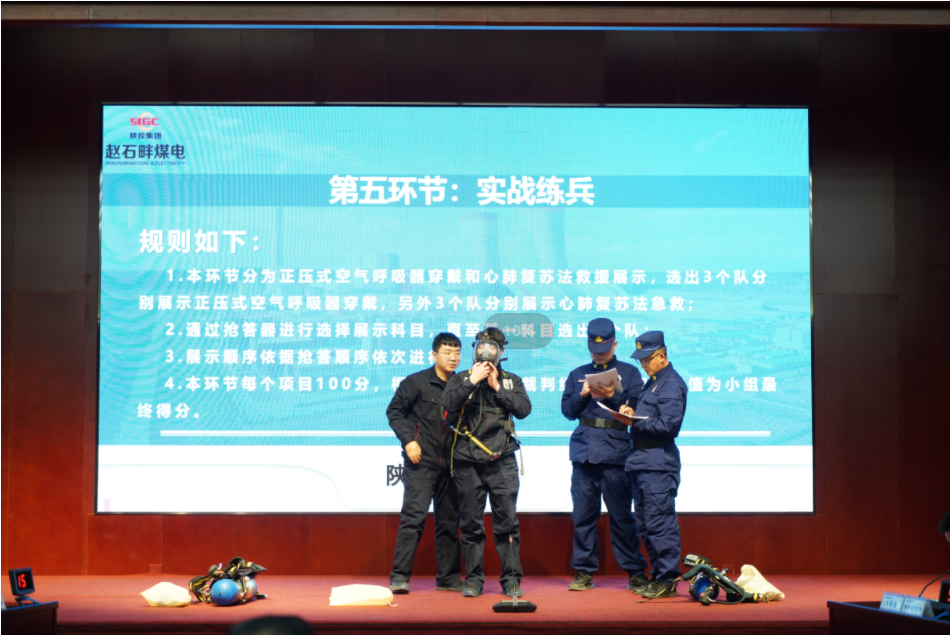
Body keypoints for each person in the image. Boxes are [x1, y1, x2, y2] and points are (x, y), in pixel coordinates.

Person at [441, 327, 532, 598]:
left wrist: (496, 387)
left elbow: (523, 410)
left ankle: (511, 581)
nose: (486, 351)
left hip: (502, 460)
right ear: (475, 349)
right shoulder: (461, 378)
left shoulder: (511, 381)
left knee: (508, 523)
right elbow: (447, 404)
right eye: (481, 346)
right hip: (468, 461)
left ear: (501, 352)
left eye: (493, 347)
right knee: (470, 523)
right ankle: (473, 580)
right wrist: (472, 381)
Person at [561, 318, 649, 592]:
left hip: (616, 453)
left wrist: (612, 396)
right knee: (583, 516)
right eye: (594, 349)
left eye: (604, 349)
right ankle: (583, 571)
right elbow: (568, 411)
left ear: (615, 345)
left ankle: (635, 570)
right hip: (584, 453)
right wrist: (582, 394)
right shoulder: (577, 373)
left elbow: (636, 407)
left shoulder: (630, 373)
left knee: (622, 517)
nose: (598, 354)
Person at [386, 333, 464, 594]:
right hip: (421, 463)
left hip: (452, 465)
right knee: (413, 519)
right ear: (434, 354)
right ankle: (399, 577)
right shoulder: (416, 382)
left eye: (457, 353)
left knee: (449, 524)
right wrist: (409, 440)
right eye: (447, 352)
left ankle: (448, 578)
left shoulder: (462, 385)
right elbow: (394, 411)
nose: (453, 358)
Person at [616, 331, 688, 599]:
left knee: (660, 523)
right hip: (642, 462)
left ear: (662, 356)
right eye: (640, 360)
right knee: (646, 525)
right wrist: (632, 413)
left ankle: (668, 578)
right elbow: (650, 417)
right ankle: (659, 575)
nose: (643, 365)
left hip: (658, 464)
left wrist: (634, 422)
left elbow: (669, 425)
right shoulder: (653, 382)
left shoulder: (671, 384)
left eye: (647, 359)